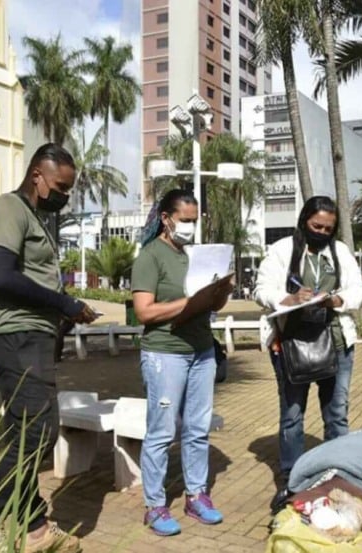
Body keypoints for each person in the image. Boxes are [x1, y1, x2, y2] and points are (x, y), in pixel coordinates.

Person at [0, 144, 97, 553]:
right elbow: (2, 275)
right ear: (37, 174)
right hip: (12, 335)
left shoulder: (35, 218)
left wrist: (60, 315)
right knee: (39, 432)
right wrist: (64, 304)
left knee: (28, 431)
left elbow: (33, 281)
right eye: (60, 186)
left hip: (30, 336)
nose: (64, 196)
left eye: (69, 190)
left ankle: (35, 527)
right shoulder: (8, 208)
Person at [254, 196, 362, 511]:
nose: (321, 232)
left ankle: (338, 476)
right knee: (292, 415)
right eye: (316, 226)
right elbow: (260, 289)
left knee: (336, 414)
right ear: (304, 220)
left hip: (335, 342)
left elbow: (360, 289)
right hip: (292, 344)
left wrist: (336, 300)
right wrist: (288, 298)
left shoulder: (339, 251)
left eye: (328, 228)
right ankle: (293, 480)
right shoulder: (281, 251)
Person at [131, 189, 232, 537]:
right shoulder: (151, 256)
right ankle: (155, 505)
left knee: (197, 427)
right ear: (166, 218)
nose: (190, 226)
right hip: (164, 353)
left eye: (194, 220)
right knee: (162, 431)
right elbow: (144, 311)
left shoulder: (195, 255)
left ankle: (196, 495)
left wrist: (221, 290)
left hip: (201, 352)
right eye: (184, 220)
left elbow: (213, 305)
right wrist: (189, 303)